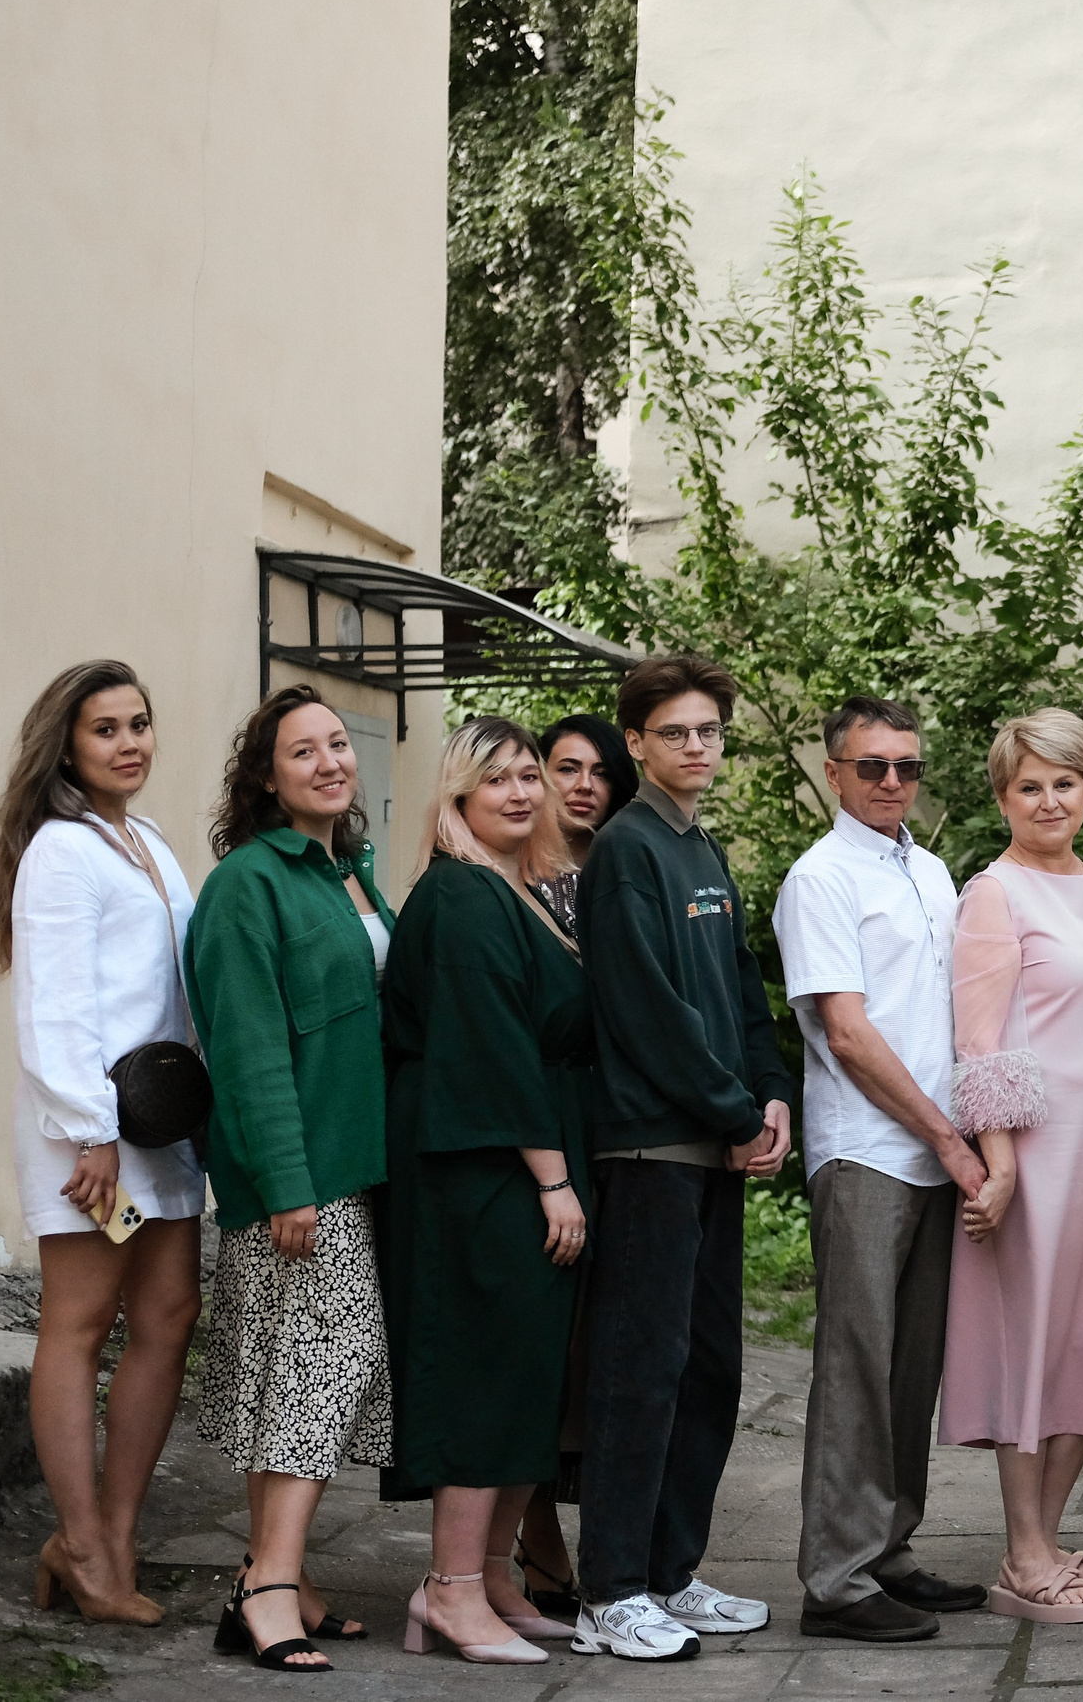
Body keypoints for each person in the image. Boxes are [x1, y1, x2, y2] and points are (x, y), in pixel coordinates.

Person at [571, 655, 792, 1661]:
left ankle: (671, 1571)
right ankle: (610, 1589)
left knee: (708, 1366)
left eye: (708, 731)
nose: (695, 747)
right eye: (675, 733)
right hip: (653, 1146)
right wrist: (731, 1110)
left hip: (716, 1142)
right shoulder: (625, 849)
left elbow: (743, 993)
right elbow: (647, 1011)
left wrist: (770, 1096)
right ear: (637, 743)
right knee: (640, 1369)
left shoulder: (701, 846)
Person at [186, 687, 397, 1673]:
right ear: (265, 776)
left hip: (357, 1167)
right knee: (316, 1370)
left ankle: (284, 1577)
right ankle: (265, 1589)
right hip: (303, 1177)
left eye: (338, 744)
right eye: (301, 750)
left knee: (311, 1377)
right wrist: (284, 1182)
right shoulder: (247, 883)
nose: (328, 762)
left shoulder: (345, 874)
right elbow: (248, 1044)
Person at [0, 661, 203, 1627]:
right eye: (107, 728)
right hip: (91, 1137)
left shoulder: (149, 841)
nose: (129, 742)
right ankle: (78, 1540)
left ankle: (115, 1531)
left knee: (169, 1314)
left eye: (140, 723)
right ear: (68, 745)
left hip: (160, 1129)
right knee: (80, 1323)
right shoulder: (61, 851)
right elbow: (55, 1004)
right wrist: (91, 1128)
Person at [776, 697, 991, 1642]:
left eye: (907, 764)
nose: (893, 781)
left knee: (912, 1366)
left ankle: (889, 1550)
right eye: (872, 767)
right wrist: (948, 1137)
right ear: (835, 772)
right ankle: (836, 1578)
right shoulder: (820, 879)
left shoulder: (930, 869)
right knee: (858, 1363)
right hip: (868, 1150)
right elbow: (849, 1033)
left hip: (937, 1151)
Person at [378, 719, 592, 1665]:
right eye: (494, 777)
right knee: (481, 1369)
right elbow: (495, 1052)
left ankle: (494, 1579)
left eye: (528, 775)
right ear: (457, 794)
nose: (519, 791)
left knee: (522, 1372)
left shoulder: (518, 889)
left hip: (513, 1162)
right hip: (481, 1170)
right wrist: (553, 1180)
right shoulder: (462, 898)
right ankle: (449, 1591)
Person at [940, 708, 1083, 1622]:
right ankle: (1022, 1555)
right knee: (1029, 1344)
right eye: (1029, 785)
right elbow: (977, 1040)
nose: (1049, 798)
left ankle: (1049, 1534)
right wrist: (1000, 1163)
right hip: (1036, 1150)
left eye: (1065, 781)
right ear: (1003, 797)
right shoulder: (992, 892)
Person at [514, 711, 636, 1611]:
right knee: (544, 1347)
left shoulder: (620, 869)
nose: (583, 782)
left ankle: (598, 1540)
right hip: (543, 1130)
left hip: (618, 1128)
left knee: (602, 1343)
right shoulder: (508, 882)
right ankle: (535, 1539)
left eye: (600, 768)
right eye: (566, 766)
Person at [531, 714, 637, 939]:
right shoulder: (508, 871)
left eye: (601, 774)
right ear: (539, 775)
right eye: (568, 769)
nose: (585, 786)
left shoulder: (634, 871)